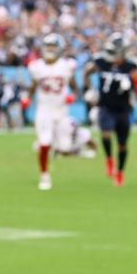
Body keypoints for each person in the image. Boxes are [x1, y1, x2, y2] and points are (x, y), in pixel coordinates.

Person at [82, 33, 137, 187]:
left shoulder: (130, 66)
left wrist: (132, 86)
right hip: (106, 107)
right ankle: (110, 159)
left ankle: (120, 172)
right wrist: (90, 89)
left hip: (123, 109)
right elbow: (87, 73)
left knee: (123, 144)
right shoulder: (102, 62)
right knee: (106, 134)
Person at [22, 33, 79, 190]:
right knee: (45, 143)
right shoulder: (37, 67)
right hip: (44, 110)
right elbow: (33, 85)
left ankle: (71, 139)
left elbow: (75, 86)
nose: (50, 50)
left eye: (53, 47)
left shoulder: (66, 66)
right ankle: (45, 176)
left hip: (62, 111)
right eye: (48, 47)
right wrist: (28, 97)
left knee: (65, 147)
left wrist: (73, 96)